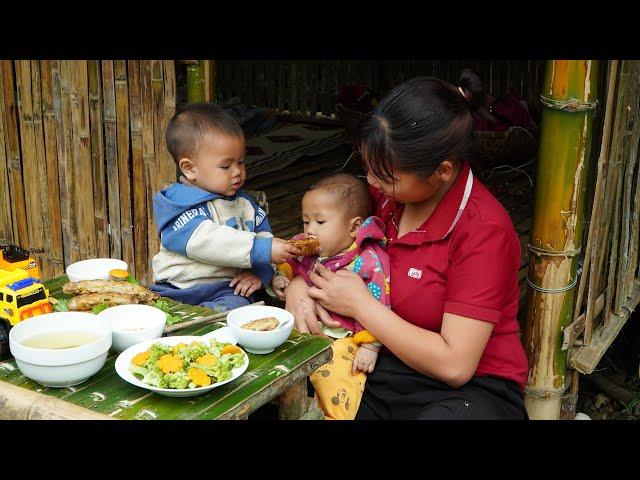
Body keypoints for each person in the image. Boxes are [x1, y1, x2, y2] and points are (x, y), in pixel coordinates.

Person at [285, 76, 530, 420]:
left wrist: (362, 306)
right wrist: (297, 286)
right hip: (382, 363)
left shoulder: (483, 230)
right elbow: (324, 240)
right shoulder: (383, 199)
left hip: (471, 388)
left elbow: (455, 365)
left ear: (442, 171)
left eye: (386, 176)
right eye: (368, 169)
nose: (371, 183)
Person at [150, 102, 299, 311]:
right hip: (177, 290)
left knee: (239, 309)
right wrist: (260, 249)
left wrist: (261, 274)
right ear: (190, 168)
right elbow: (207, 240)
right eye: (226, 166)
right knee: (153, 312)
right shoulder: (179, 204)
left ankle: (210, 326)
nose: (237, 171)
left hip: (226, 289)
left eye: (241, 162)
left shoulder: (246, 205)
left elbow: (265, 238)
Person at [272, 173, 391, 420]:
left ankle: (334, 416)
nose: (310, 231)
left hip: (344, 336)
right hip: (305, 325)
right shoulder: (308, 247)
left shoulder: (368, 262)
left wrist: (370, 345)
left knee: (337, 378)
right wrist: (282, 276)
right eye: (306, 222)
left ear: (354, 227)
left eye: (320, 222)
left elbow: (380, 302)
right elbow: (290, 261)